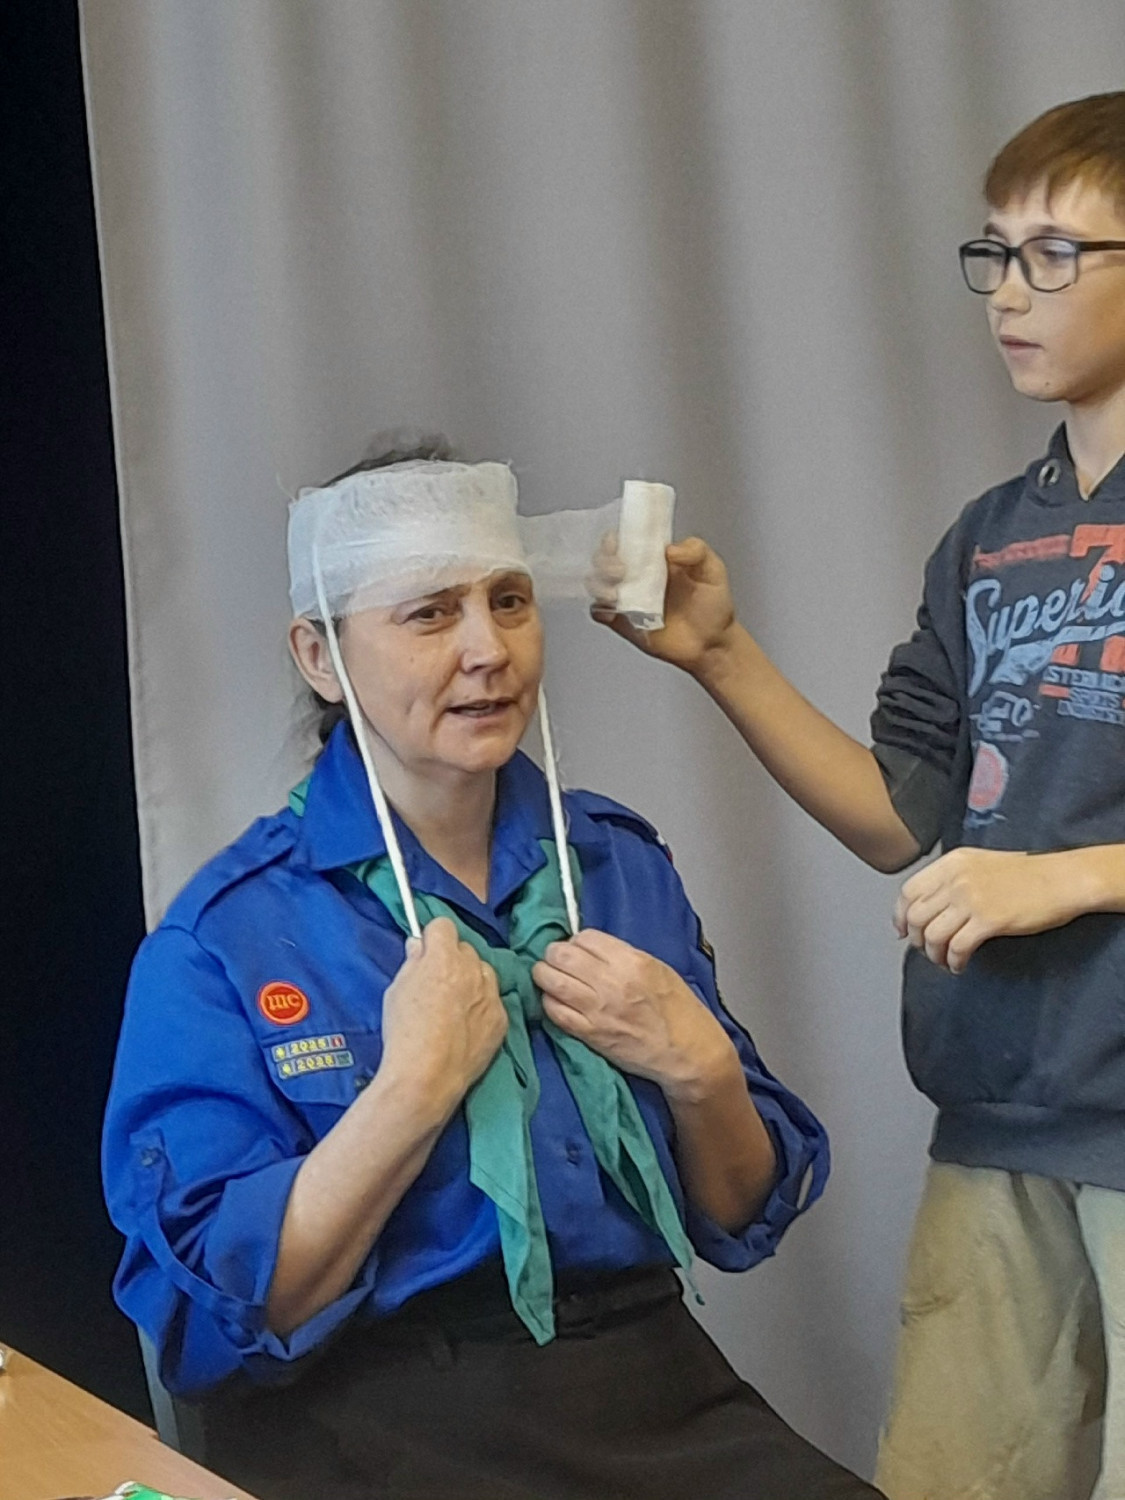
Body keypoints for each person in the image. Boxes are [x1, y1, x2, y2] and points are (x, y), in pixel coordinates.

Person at [102, 444, 881, 1500]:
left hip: (647, 1382)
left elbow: (740, 1215)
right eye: (429, 613)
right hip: (376, 1410)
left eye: (508, 602)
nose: (488, 651)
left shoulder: (614, 864)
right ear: (321, 656)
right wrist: (409, 1095)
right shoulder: (224, 937)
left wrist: (703, 1072)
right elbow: (212, 1326)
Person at [595, 92, 1125, 1500]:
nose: (1006, 292)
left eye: (1055, 254)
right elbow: (903, 815)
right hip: (1000, 1117)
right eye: (995, 252)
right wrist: (720, 655)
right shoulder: (988, 540)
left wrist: (1070, 874)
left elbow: (1026, 868)